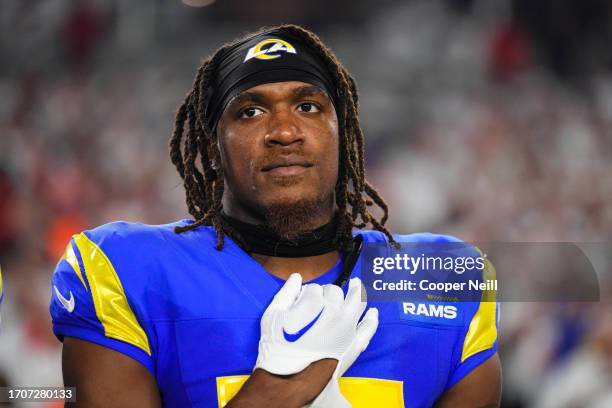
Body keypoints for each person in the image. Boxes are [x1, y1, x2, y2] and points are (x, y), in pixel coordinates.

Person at [50, 24, 501, 407]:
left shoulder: (443, 277)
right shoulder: (129, 270)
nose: (284, 132)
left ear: (343, 134)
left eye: (308, 107)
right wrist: (270, 396)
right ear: (212, 147)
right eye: (250, 111)